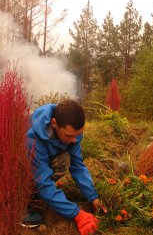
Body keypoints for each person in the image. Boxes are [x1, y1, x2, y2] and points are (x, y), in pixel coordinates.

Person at [22, 99, 105, 234]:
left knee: (63, 161)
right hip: (19, 161)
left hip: (42, 156)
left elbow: (78, 166)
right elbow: (44, 183)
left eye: (77, 135)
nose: (74, 140)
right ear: (54, 123)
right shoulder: (33, 140)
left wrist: (92, 196)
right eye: (69, 136)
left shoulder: (70, 130)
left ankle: (44, 194)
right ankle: (33, 200)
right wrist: (77, 214)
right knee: (36, 182)